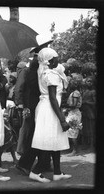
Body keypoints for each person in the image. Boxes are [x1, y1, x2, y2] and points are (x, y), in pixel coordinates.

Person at [30, 48, 71, 183]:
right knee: (48, 141)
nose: (58, 59)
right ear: (50, 60)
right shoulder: (50, 74)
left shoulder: (44, 71)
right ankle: (35, 172)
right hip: (50, 109)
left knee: (55, 140)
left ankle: (57, 172)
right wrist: (62, 120)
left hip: (46, 107)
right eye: (56, 57)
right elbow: (53, 98)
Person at [14, 35, 53, 176]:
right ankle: (25, 163)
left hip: (39, 104)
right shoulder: (33, 67)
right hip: (34, 105)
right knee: (35, 135)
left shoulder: (40, 65)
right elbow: (27, 87)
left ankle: (44, 163)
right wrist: (22, 105)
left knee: (41, 134)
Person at [64, 73, 82, 156]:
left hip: (74, 113)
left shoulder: (75, 93)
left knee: (73, 130)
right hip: (73, 113)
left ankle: (75, 150)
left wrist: (66, 108)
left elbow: (74, 105)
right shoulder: (75, 92)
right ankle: (73, 148)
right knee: (71, 130)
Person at [81, 75, 96, 151]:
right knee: (85, 130)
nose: (89, 83)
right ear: (85, 82)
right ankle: (86, 144)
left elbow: (95, 102)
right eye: (88, 81)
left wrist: (86, 102)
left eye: (91, 81)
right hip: (84, 112)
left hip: (90, 113)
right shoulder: (84, 91)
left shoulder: (93, 92)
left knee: (91, 130)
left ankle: (91, 146)